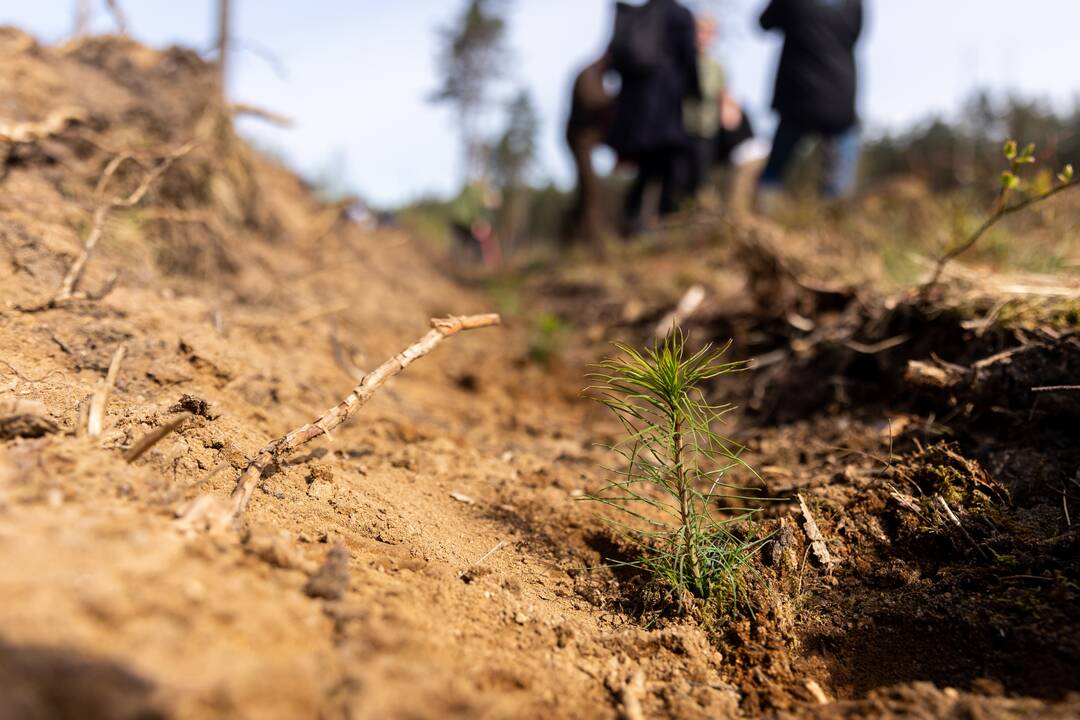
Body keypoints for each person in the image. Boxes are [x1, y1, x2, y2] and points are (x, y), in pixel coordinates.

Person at [605, 0, 701, 235]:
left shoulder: (639, 15)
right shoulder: (679, 15)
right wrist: (696, 92)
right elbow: (690, 58)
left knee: (648, 169)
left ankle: (631, 222)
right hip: (665, 105)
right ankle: (666, 224)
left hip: (636, 111)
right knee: (675, 165)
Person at [756, 0, 864, 202]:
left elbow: (764, 23)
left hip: (798, 97)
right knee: (839, 177)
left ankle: (761, 219)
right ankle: (835, 217)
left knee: (774, 170)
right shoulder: (854, 3)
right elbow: (856, 34)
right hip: (840, 94)